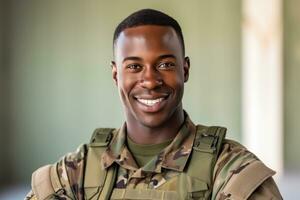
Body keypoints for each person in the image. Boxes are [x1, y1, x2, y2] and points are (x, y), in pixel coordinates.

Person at [25, 9, 282, 200]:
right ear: (116, 75)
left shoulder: (229, 168)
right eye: (134, 67)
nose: (150, 80)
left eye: (165, 65)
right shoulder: (77, 171)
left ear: (185, 69)